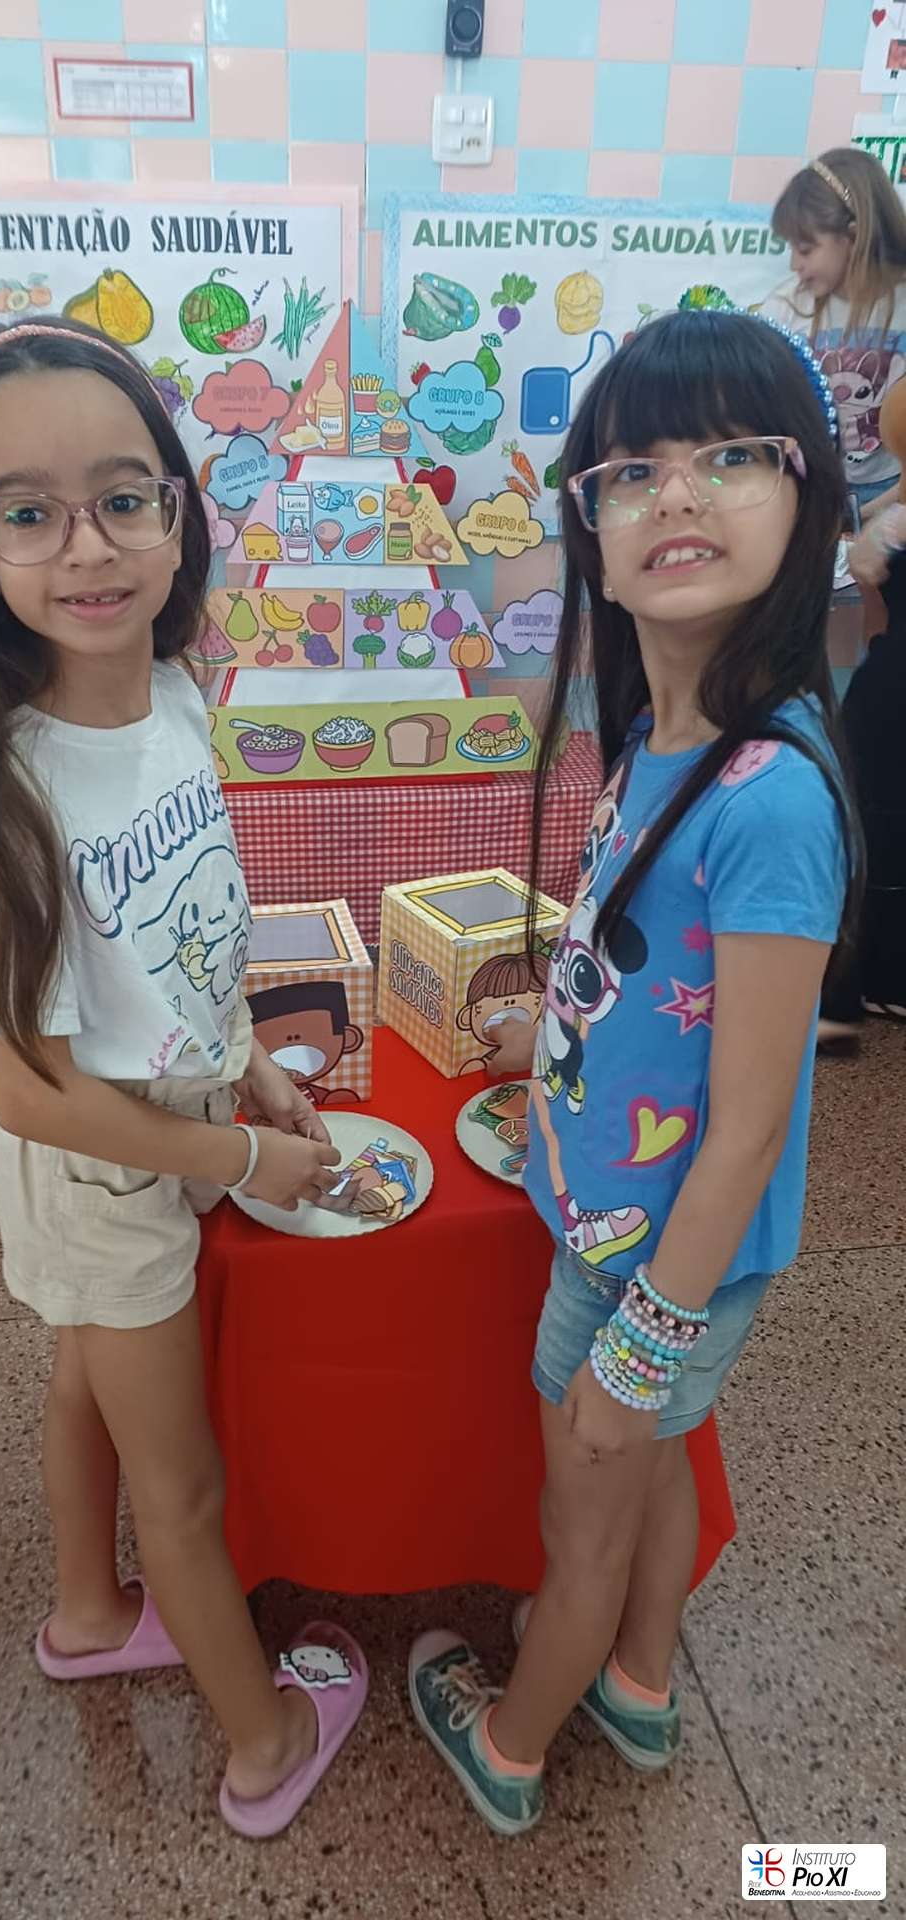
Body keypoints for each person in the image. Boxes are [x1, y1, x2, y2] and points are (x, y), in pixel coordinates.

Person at [0, 316, 366, 1839]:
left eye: (124, 497)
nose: (89, 546)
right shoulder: (13, 786)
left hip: (166, 1120)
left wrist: (243, 1068)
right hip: (104, 1164)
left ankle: (90, 1614)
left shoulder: (171, 691)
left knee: (81, 1379)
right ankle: (262, 1740)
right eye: (28, 512)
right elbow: (24, 1092)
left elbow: (182, 933)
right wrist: (237, 1160)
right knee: (181, 1487)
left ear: (178, 509)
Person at [405, 311, 857, 1835]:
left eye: (733, 455)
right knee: (651, 1475)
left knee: (581, 1514)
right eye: (635, 468)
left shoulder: (771, 797)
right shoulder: (659, 737)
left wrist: (646, 1339)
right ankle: (644, 1688)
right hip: (615, 1213)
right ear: (590, 529)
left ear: (809, 502)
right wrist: (555, 1038)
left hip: (652, 1262)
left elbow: (752, 1125)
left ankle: (510, 1745)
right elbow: (661, 982)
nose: (679, 492)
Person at [818, 375, 906, 1044]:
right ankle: (874, 982)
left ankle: (862, 985)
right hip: (890, 696)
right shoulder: (891, 519)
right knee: (875, 835)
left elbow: (877, 621)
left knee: (872, 836)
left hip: (887, 688)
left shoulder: (889, 520)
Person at [766, 147, 906, 520]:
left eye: (805, 249)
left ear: (854, 237)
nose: (794, 264)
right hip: (815, 486)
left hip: (895, 494)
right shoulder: (785, 307)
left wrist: (870, 516)